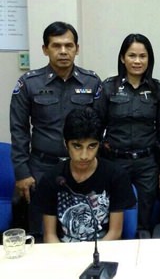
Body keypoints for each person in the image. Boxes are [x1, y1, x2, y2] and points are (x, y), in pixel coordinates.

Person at [9, 21, 102, 239]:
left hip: (82, 167)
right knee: (40, 232)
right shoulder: (29, 83)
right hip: (42, 168)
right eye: (56, 46)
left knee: (79, 230)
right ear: (45, 49)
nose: (63, 51)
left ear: (77, 49)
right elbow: (19, 130)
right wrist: (22, 172)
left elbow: (100, 126)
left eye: (69, 46)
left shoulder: (92, 81)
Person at [33, 107, 136, 242]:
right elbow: (49, 235)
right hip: (63, 253)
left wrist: (92, 260)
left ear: (100, 145)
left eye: (92, 146)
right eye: (77, 146)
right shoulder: (52, 178)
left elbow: (115, 232)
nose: (84, 156)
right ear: (66, 144)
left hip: (102, 252)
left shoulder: (116, 176)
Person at [97, 34, 160, 231]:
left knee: (145, 217)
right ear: (122, 58)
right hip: (115, 162)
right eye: (132, 55)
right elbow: (97, 126)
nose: (137, 61)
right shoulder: (109, 87)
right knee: (114, 214)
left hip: (147, 164)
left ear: (149, 59)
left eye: (143, 56)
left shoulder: (157, 88)